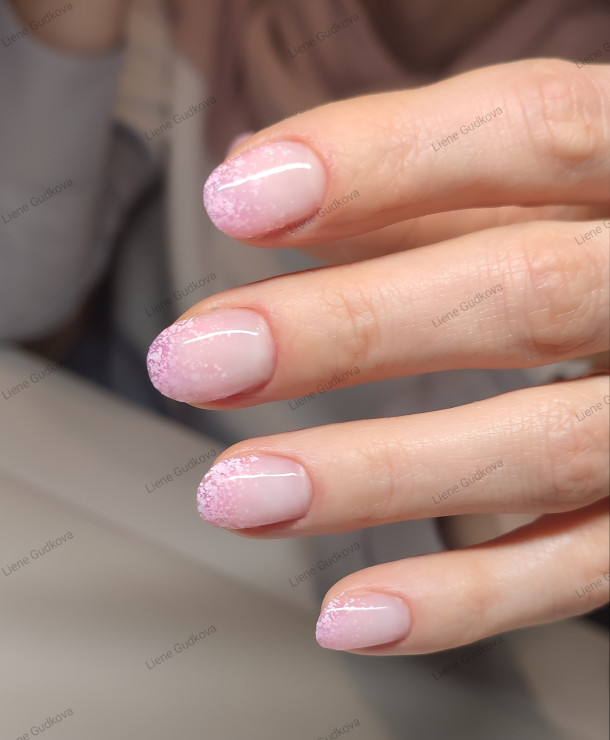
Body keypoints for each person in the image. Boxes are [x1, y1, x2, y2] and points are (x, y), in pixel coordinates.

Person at [2, 0, 608, 659]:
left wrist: (494, 515)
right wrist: (68, 34)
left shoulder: (580, 160)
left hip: (291, 617)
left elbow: (406, 551)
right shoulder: (198, 23)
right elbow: (18, 298)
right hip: (79, 483)